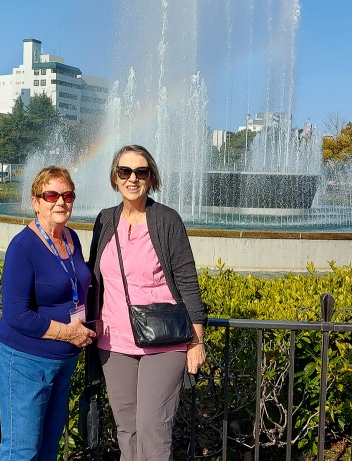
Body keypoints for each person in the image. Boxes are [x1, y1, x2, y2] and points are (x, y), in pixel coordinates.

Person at [87, 145, 207, 460]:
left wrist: (197, 340)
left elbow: (187, 282)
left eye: (141, 172)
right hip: (114, 343)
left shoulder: (167, 220)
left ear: (151, 177)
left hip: (164, 342)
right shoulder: (104, 221)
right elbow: (92, 279)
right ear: (115, 177)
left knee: (153, 429)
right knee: (127, 430)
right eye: (125, 171)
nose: (132, 179)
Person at [0, 165, 96, 460]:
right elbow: (16, 314)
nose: (60, 201)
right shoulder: (23, 246)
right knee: (21, 452)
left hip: (63, 361)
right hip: (25, 361)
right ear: (35, 202)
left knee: (48, 449)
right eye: (51, 194)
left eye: (67, 194)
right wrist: (68, 332)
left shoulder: (72, 238)